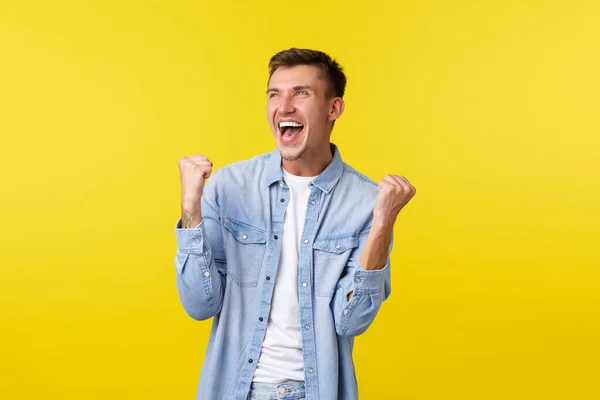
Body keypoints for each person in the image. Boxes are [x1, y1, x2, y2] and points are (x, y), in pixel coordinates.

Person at [174, 48, 416, 400]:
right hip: (235, 389)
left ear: (334, 108)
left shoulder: (368, 202)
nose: (284, 106)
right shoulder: (230, 186)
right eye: (275, 94)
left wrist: (383, 224)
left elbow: (351, 321)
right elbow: (199, 305)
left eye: (301, 93)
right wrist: (189, 208)